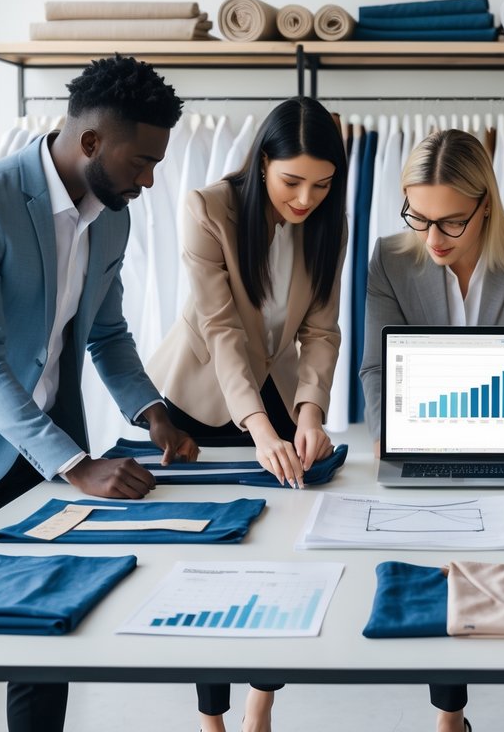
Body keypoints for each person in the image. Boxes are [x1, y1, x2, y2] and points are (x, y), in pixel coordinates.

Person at [0, 54, 198, 732]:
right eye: (140, 162)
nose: (148, 182)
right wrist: (79, 465)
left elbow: (106, 333)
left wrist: (153, 414)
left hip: (43, 449)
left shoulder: (111, 217)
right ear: (90, 142)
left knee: (47, 636)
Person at [146, 96, 348, 732]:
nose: (306, 198)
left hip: (279, 391)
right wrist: (260, 431)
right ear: (263, 162)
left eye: (322, 184)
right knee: (208, 558)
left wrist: (311, 414)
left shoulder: (327, 221)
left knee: (282, 555)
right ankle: (212, 718)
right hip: (201, 393)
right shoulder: (207, 208)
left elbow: (321, 328)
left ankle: (260, 702)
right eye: (293, 181)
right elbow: (221, 327)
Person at [359, 129, 504, 732]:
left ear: (485, 206)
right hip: (427, 444)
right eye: (418, 217)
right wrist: (388, 431)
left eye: (451, 222)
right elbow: (377, 366)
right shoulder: (391, 258)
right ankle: (450, 715)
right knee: (441, 564)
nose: (432, 238)